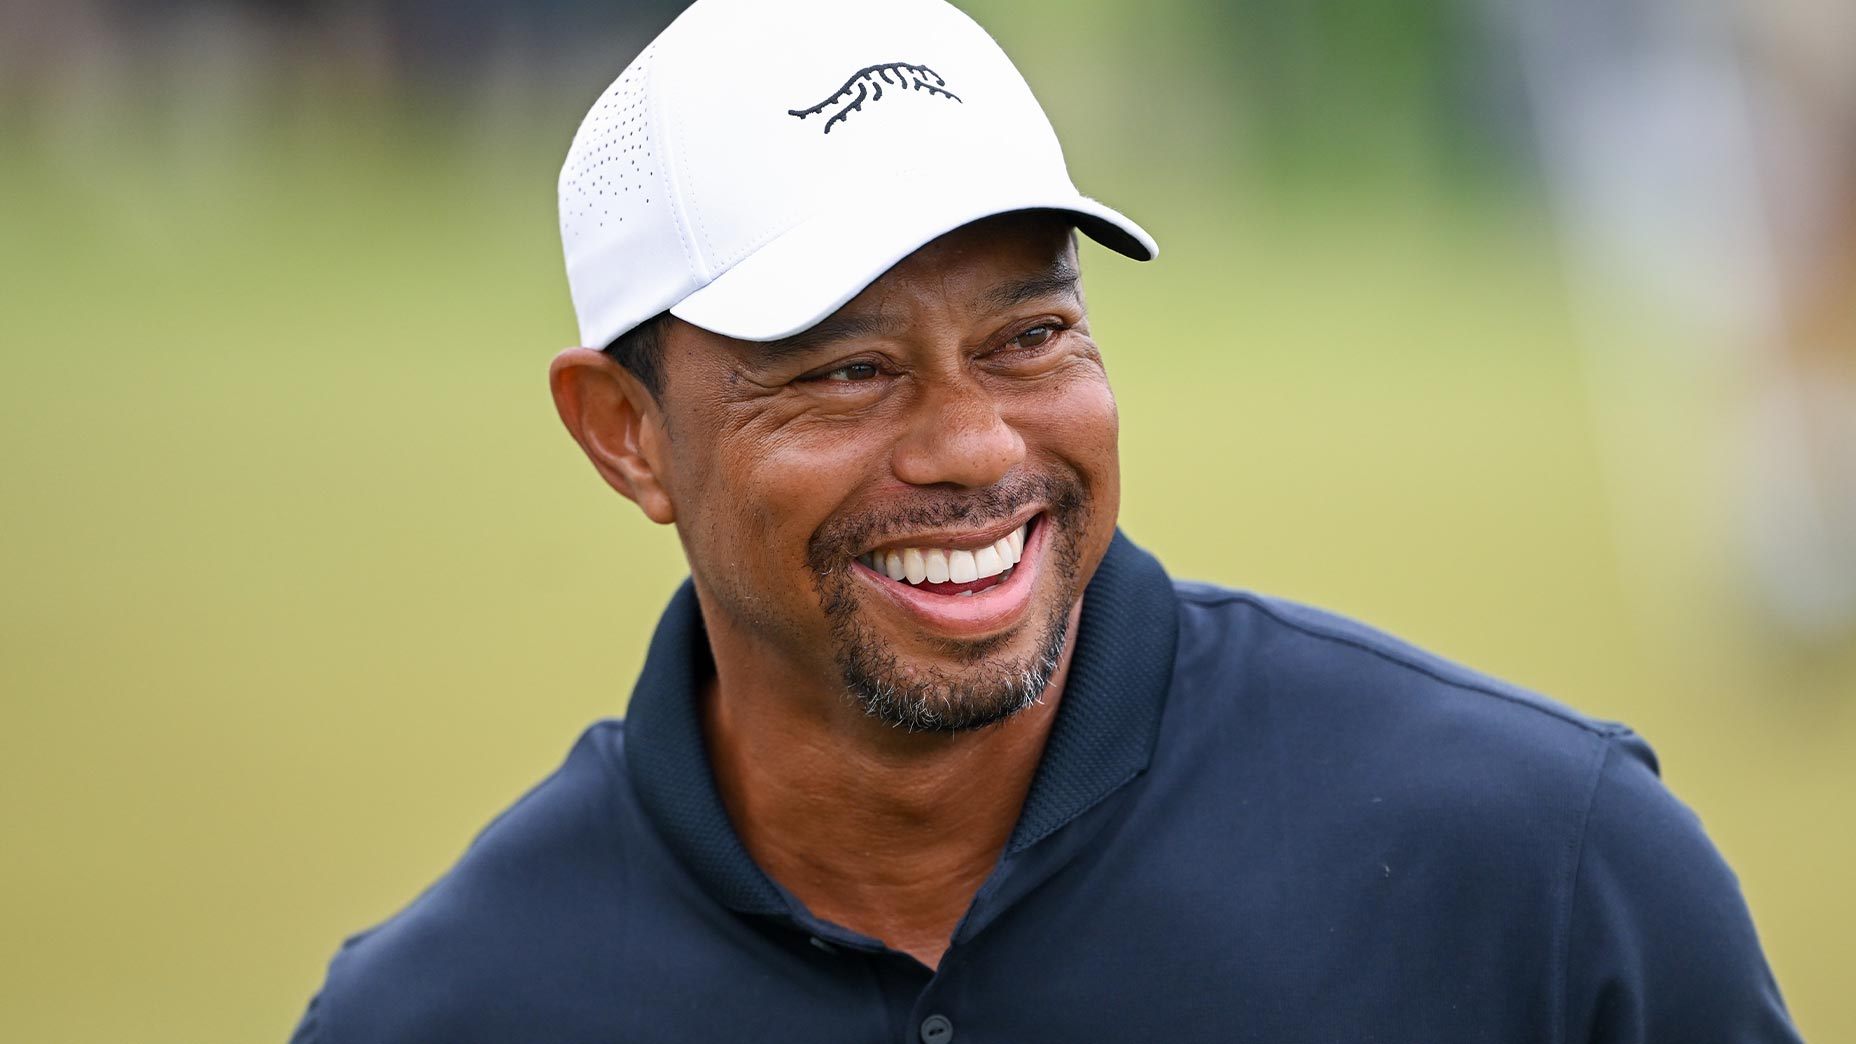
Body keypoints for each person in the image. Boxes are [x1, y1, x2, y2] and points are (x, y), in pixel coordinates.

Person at [291, 0, 1803, 1039]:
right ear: (627, 437)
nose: (973, 445)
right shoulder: (451, 1011)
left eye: (1031, 337)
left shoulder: (1546, 879)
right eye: (847, 370)